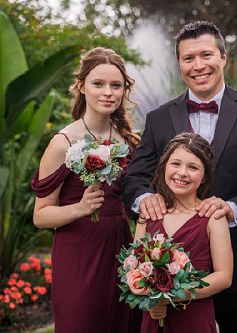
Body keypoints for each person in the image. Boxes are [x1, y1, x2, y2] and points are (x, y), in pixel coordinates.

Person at [122, 21, 237, 333]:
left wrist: (231, 209)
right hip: (167, 270)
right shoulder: (158, 118)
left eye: (205, 55)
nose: (198, 66)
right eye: (187, 58)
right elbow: (134, 176)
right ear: (179, 63)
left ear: (223, 57)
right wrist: (145, 200)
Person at [31, 47, 142, 333]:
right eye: (98, 84)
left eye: (116, 85)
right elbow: (41, 216)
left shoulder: (128, 141)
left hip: (120, 245)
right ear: (81, 86)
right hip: (78, 251)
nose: (108, 92)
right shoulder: (63, 142)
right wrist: (80, 208)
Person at [135, 132, 233, 332]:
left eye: (193, 167)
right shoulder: (149, 213)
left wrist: (167, 295)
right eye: (176, 164)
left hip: (194, 317)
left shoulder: (212, 216)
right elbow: (134, 268)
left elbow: (224, 277)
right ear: (164, 167)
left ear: (205, 176)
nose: (182, 173)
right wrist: (152, 300)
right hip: (155, 317)